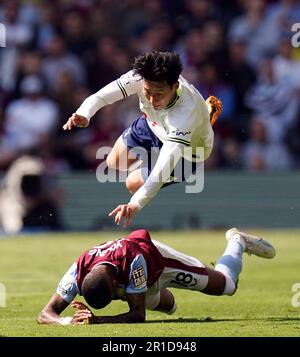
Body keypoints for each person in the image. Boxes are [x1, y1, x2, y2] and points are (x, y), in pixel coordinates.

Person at [63, 51, 222, 227]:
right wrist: (84, 114)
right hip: (153, 125)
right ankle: (200, 121)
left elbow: (161, 170)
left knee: (132, 184)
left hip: (188, 151)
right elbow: (101, 97)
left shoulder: (185, 114)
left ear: (175, 86)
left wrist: (135, 204)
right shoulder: (138, 78)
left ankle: (204, 121)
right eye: (148, 93)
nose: (152, 100)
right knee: (113, 161)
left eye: (159, 94)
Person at [37, 228, 275, 325]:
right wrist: (66, 321)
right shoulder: (78, 270)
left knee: (227, 286)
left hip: (160, 264)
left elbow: (137, 315)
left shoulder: (134, 263)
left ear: (113, 283)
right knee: (169, 307)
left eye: (115, 292)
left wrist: (98, 321)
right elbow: (44, 314)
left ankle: (237, 241)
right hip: (135, 280)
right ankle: (156, 297)